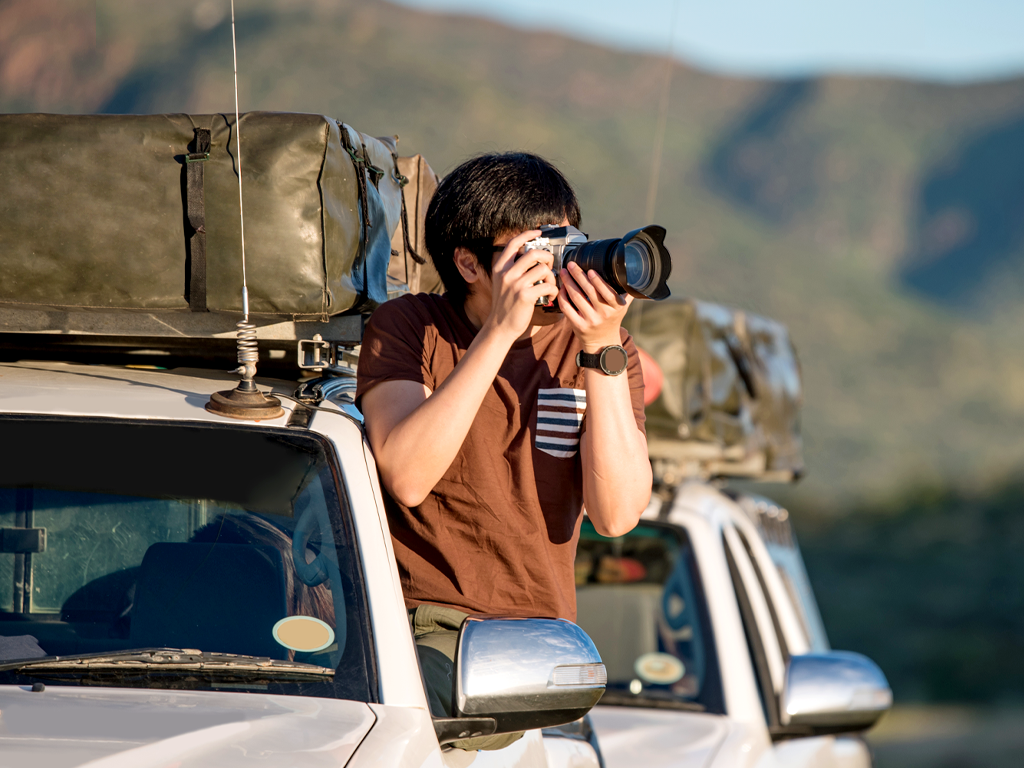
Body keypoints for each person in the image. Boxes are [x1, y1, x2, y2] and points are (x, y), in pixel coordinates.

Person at [356, 152, 652, 742]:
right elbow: (408, 475)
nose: (556, 270)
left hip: (536, 652)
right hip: (425, 633)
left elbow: (617, 514)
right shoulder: (410, 326)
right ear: (469, 263)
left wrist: (600, 348)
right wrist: (499, 333)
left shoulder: (605, 351)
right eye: (531, 255)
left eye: (565, 246)